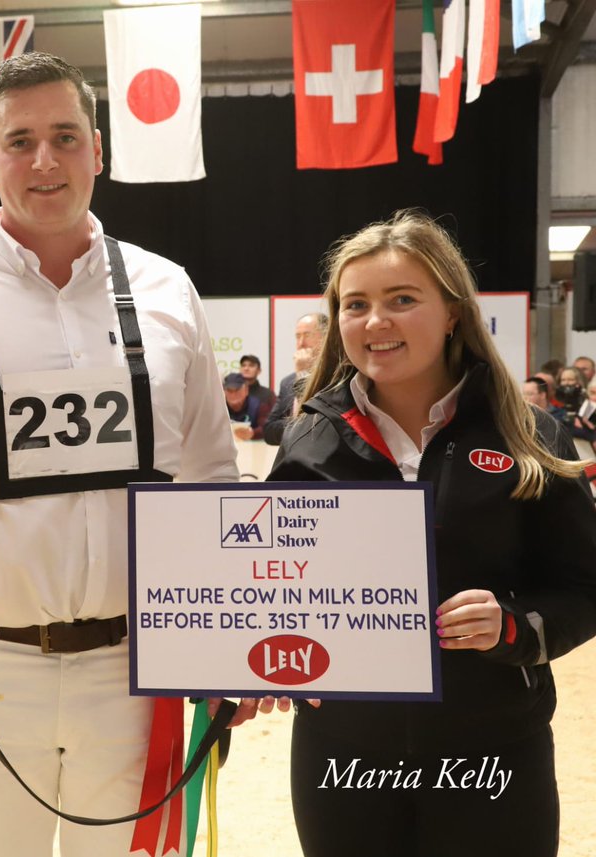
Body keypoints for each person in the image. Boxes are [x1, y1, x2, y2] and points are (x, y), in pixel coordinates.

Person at [0, 52, 253, 857]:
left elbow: (211, 477)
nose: (45, 161)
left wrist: (224, 645)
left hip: (133, 671)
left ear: (99, 150)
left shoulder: (166, 288)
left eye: (66, 137)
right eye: (20, 141)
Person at [268, 210, 596, 857]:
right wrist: (261, 660)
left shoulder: (530, 436)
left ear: (453, 311)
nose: (374, 321)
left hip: (494, 749)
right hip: (344, 754)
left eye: (401, 299)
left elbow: (584, 586)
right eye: (355, 303)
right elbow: (276, 588)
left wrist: (514, 627)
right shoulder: (307, 438)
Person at [263, 312, 327, 445]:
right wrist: (298, 427)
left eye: (308, 335)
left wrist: (304, 374)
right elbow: (269, 431)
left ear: (326, 337)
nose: (301, 343)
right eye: (298, 336)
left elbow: (318, 428)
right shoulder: (288, 381)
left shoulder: (337, 377)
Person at [224, 371, 266, 440]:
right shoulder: (218, 409)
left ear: (246, 390)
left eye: (237, 390)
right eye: (229, 390)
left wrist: (253, 433)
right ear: (224, 391)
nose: (233, 395)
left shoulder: (258, 406)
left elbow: (266, 428)